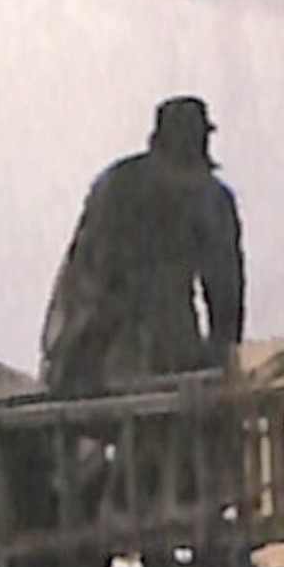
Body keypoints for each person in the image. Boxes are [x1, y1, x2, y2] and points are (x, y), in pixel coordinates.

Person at [41, 96, 246, 397]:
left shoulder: (115, 182)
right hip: (160, 350)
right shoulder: (207, 195)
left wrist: (68, 357)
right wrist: (223, 362)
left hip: (92, 352)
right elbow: (226, 295)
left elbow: (81, 275)